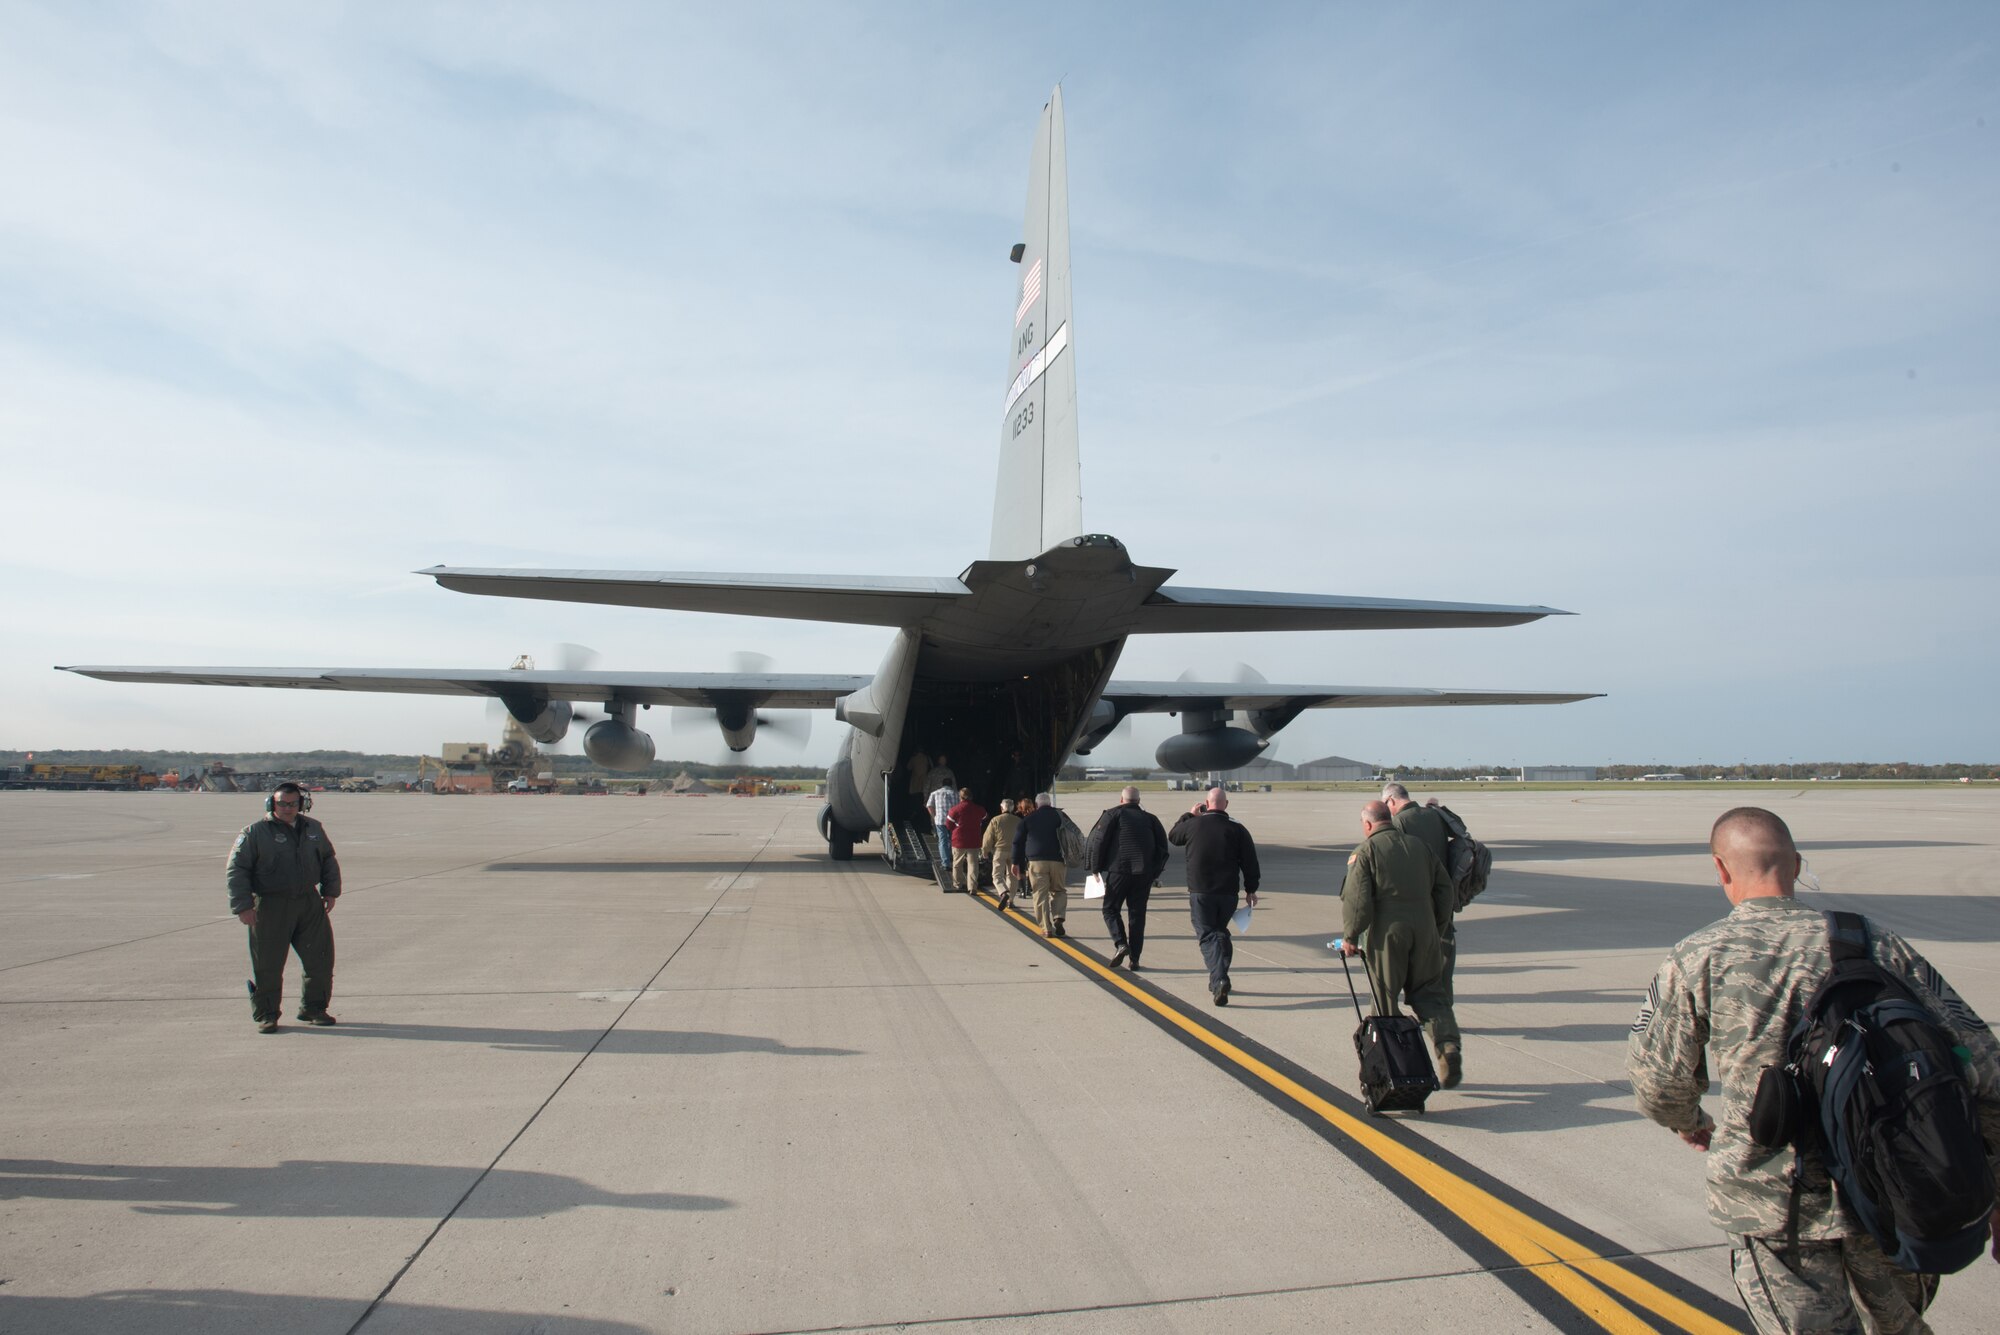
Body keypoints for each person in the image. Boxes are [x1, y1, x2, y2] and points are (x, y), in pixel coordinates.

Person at [1627, 807, 2000, 1335]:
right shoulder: (1875, 943)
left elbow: (1657, 1081)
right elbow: (1983, 1070)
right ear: (1797, 865)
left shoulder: (1698, 956)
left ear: (1721, 870)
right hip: (1893, 1187)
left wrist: (1690, 1122)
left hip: (1774, 1202)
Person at [1336, 799, 1462, 1087]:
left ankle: (1396, 1068)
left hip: (1387, 936)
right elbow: (1445, 890)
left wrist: (1350, 937)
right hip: (1426, 930)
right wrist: (1436, 925)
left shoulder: (1365, 852)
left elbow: (1358, 902)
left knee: (1385, 1001)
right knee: (1431, 995)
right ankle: (1448, 1047)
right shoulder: (1420, 847)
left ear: (1368, 825)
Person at [227, 780, 342, 1033]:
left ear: (302, 804)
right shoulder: (254, 833)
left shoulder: (313, 829)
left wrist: (331, 891)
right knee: (268, 963)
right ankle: (266, 1014)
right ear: (272, 803)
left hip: (308, 903)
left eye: (293, 804)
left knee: (320, 959)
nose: (288, 808)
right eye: (282, 803)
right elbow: (237, 870)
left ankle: (314, 1008)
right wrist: (243, 906)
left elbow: (327, 860)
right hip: (270, 904)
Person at [1168, 787, 1260, 1005]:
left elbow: (1173, 836)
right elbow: (1250, 862)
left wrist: (1189, 814)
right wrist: (1251, 889)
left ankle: (1219, 979)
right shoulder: (1238, 829)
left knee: (1208, 935)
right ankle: (1218, 979)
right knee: (1219, 933)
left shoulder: (1192, 824)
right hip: (1228, 893)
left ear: (1205, 804)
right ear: (1226, 805)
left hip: (1201, 892)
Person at [1382, 782, 1458, 1002]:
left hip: (1417, 901)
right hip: (1443, 896)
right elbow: (1460, 830)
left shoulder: (1399, 822)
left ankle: (1425, 1006)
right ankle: (1443, 1006)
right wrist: (1439, 809)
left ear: (1391, 801)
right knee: (1444, 953)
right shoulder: (1433, 815)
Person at [1087, 785, 1168, 970]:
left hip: (1119, 872)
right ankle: (1135, 959)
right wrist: (1154, 872)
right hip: (1143, 874)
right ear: (1139, 801)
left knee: (1110, 909)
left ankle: (1121, 943)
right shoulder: (1151, 819)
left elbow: (1100, 841)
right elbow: (1162, 848)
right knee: (1137, 916)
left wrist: (1095, 868)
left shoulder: (1113, 815)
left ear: (1121, 800)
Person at [1011, 792, 1069, 938]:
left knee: (1040, 894)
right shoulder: (1060, 816)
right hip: (1058, 860)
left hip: (1036, 862)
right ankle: (1058, 916)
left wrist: (1015, 862)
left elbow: (1017, 842)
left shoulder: (1028, 819)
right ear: (1050, 803)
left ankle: (1046, 928)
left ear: (1036, 805)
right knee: (1059, 890)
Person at [945, 787, 988, 894]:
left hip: (958, 840)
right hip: (974, 840)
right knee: (973, 864)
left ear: (960, 797)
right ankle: (972, 887)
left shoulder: (954, 810)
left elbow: (948, 825)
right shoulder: (979, 809)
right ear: (971, 797)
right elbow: (985, 817)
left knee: (957, 863)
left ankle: (958, 883)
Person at [982, 798, 1022, 911]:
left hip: (1000, 850)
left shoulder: (996, 820)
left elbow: (988, 838)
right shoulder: (1018, 821)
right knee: (1012, 876)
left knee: (997, 875)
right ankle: (1011, 901)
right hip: (1015, 851)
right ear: (1013, 808)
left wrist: (985, 851)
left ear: (1001, 808)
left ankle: (1003, 892)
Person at [927, 777, 958, 865]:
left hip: (940, 820)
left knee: (943, 840)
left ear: (942, 784)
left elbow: (929, 805)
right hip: (953, 821)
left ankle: (945, 863)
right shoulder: (956, 794)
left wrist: (934, 816)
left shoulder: (935, 793)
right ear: (951, 785)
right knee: (953, 839)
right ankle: (953, 859)